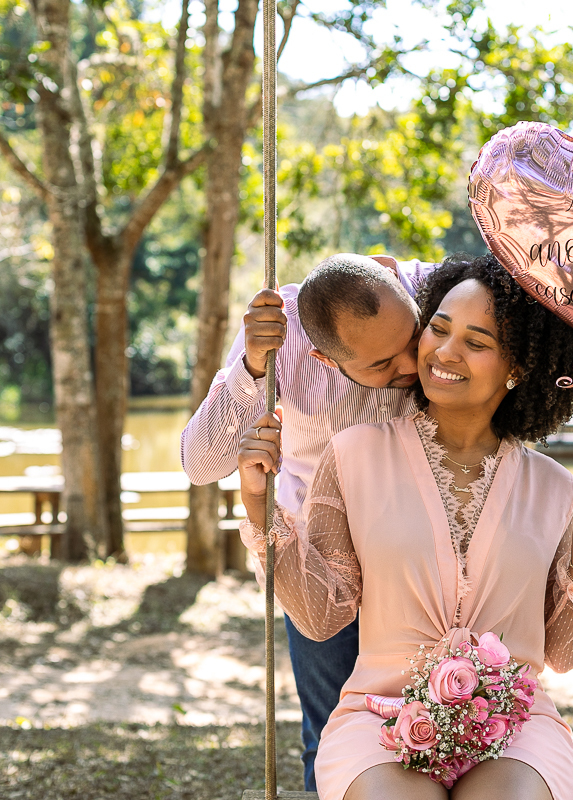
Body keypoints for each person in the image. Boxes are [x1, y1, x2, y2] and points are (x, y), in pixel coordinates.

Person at [237, 253, 573, 800]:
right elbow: (322, 616)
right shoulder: (353, 456)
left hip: (513, 726)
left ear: (517, 367)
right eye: (438, 328)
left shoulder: (556, 487)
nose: (444, 351)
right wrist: (259, 504)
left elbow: (561, 653)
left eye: (477, 341)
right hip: (380, 720)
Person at [180, 252, 432, 790]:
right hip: (317, 563)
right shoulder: (280, 334)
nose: (412, 366)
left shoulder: (429, 287)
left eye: (412, 340)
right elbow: (201, 464)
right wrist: (249, 368)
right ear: (321, 357)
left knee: (437, 728)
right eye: (381, 365)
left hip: (423, 553)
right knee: (334, 733)